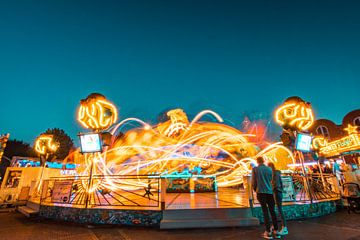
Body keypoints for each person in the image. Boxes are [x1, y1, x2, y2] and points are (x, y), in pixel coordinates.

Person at [252, 156, 280, 239]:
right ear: (263, 161)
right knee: (272, 211)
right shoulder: (269, 169)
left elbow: (253, 182)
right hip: (270, 192)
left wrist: (255, 189)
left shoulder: (255, 169)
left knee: (265, 212)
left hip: (261, 192)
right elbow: (271, 180)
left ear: (257, 162)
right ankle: (276, 230)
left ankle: (268, 232)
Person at [268, 162, 288, 236]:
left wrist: (270, 188)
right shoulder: (276, 173)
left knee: (279, 209)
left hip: (276, 192)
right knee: (276, 209)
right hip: (276, 192)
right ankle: (275, 225)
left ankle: (284, 227)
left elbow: (275, 184)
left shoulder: (275, 174)